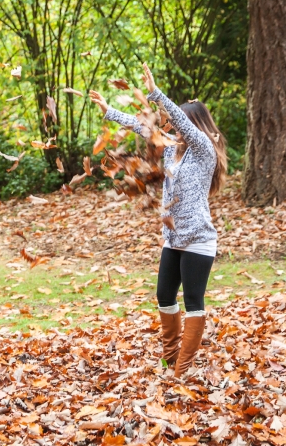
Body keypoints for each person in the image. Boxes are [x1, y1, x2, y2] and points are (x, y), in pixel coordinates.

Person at [90, 64, 228, 377]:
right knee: (164, 295)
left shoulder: (204, 149)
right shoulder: (172, 149)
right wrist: (110, 111)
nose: (175, 126)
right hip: (173, 238)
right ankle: (169, 359)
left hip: (198, 238)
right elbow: (146, 130)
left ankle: (183, 368)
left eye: (182, 121)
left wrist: (156, 94)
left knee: (193, 299)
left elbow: (185, 126)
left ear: (194, 124)